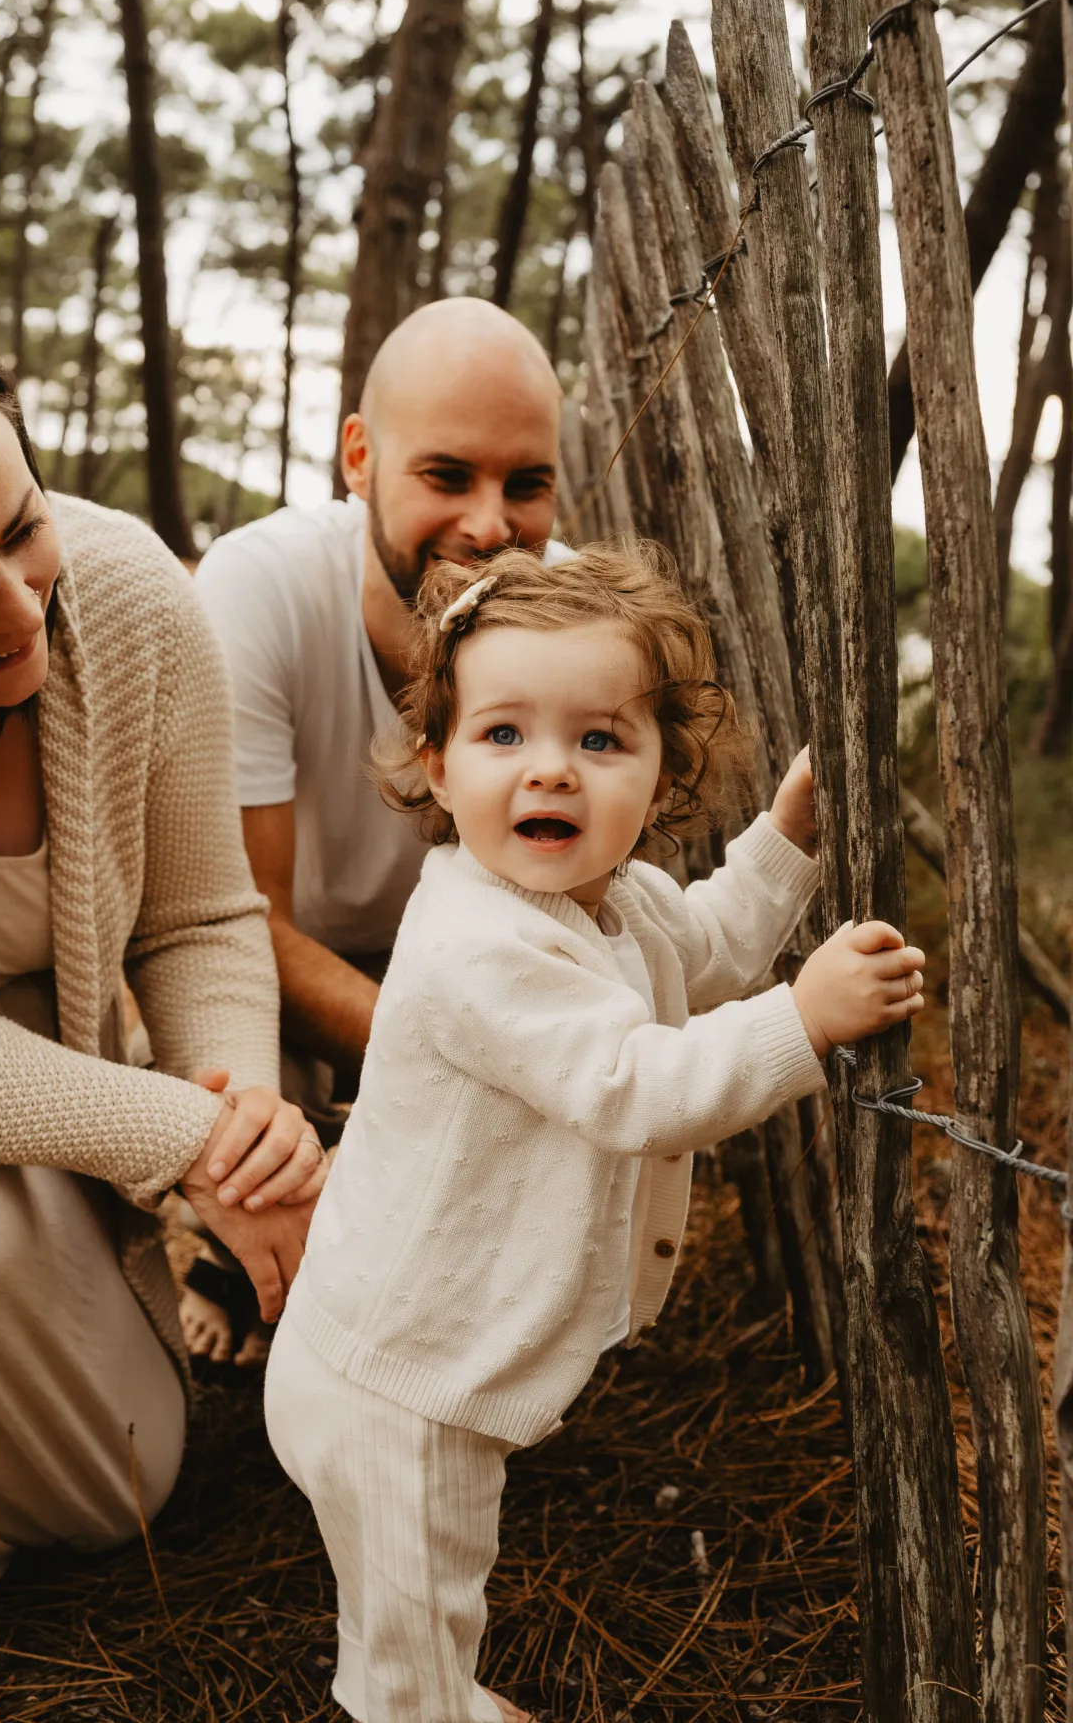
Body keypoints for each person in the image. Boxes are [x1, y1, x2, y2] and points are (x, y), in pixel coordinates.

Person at [262, 544, 927, 1723]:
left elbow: (709, 941)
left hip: (423, 1353)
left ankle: (432, 1694)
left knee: (422, 1599)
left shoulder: (608, 897)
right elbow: (636, 1084)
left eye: (599, 740)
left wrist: (784, 837)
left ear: (662, 771)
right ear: (436, 762)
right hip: (397, 1380)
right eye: (503, 735)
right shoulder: (477, 944)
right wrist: (804, 1022)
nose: (550, 774)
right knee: (412, 1627)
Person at [0, 270, 323, 1638]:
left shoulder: (133, 603)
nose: (18, 610)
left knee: (128, 1462)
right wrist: (179, 1141)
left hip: (81, 1141)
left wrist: (238, 1131)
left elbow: (200, 919)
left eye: (21, 527)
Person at [189, 297, 568, 1359]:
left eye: (525, 483)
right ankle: (244, 1264)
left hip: (464, 965)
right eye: (446, 477)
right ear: (358, 457)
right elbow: (238, 923)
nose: (491, 526)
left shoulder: (571, 622)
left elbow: (571, 903)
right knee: (245, 1037)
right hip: (277, 970)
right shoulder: (257, 589)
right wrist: (444, 1044)